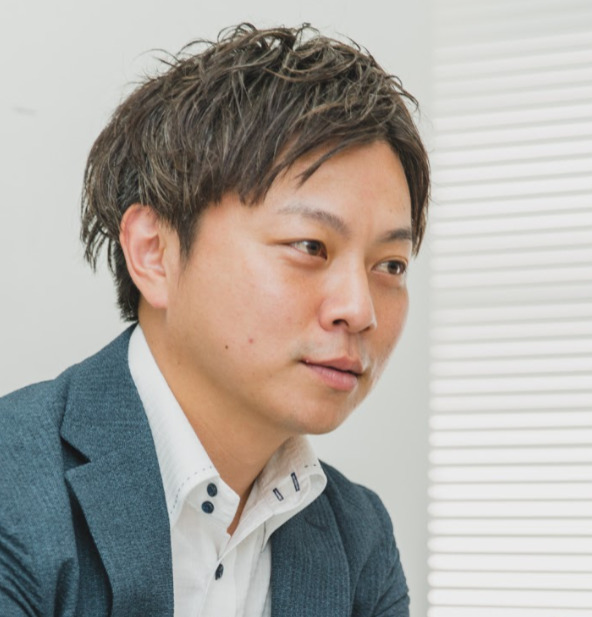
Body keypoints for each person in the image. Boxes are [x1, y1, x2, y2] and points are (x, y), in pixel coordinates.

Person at [0, 23, 429, 617]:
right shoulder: (15, 491)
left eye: (390, 265)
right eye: (310, 246)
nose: (360, 310)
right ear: (155, 252)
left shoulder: (359, 538)